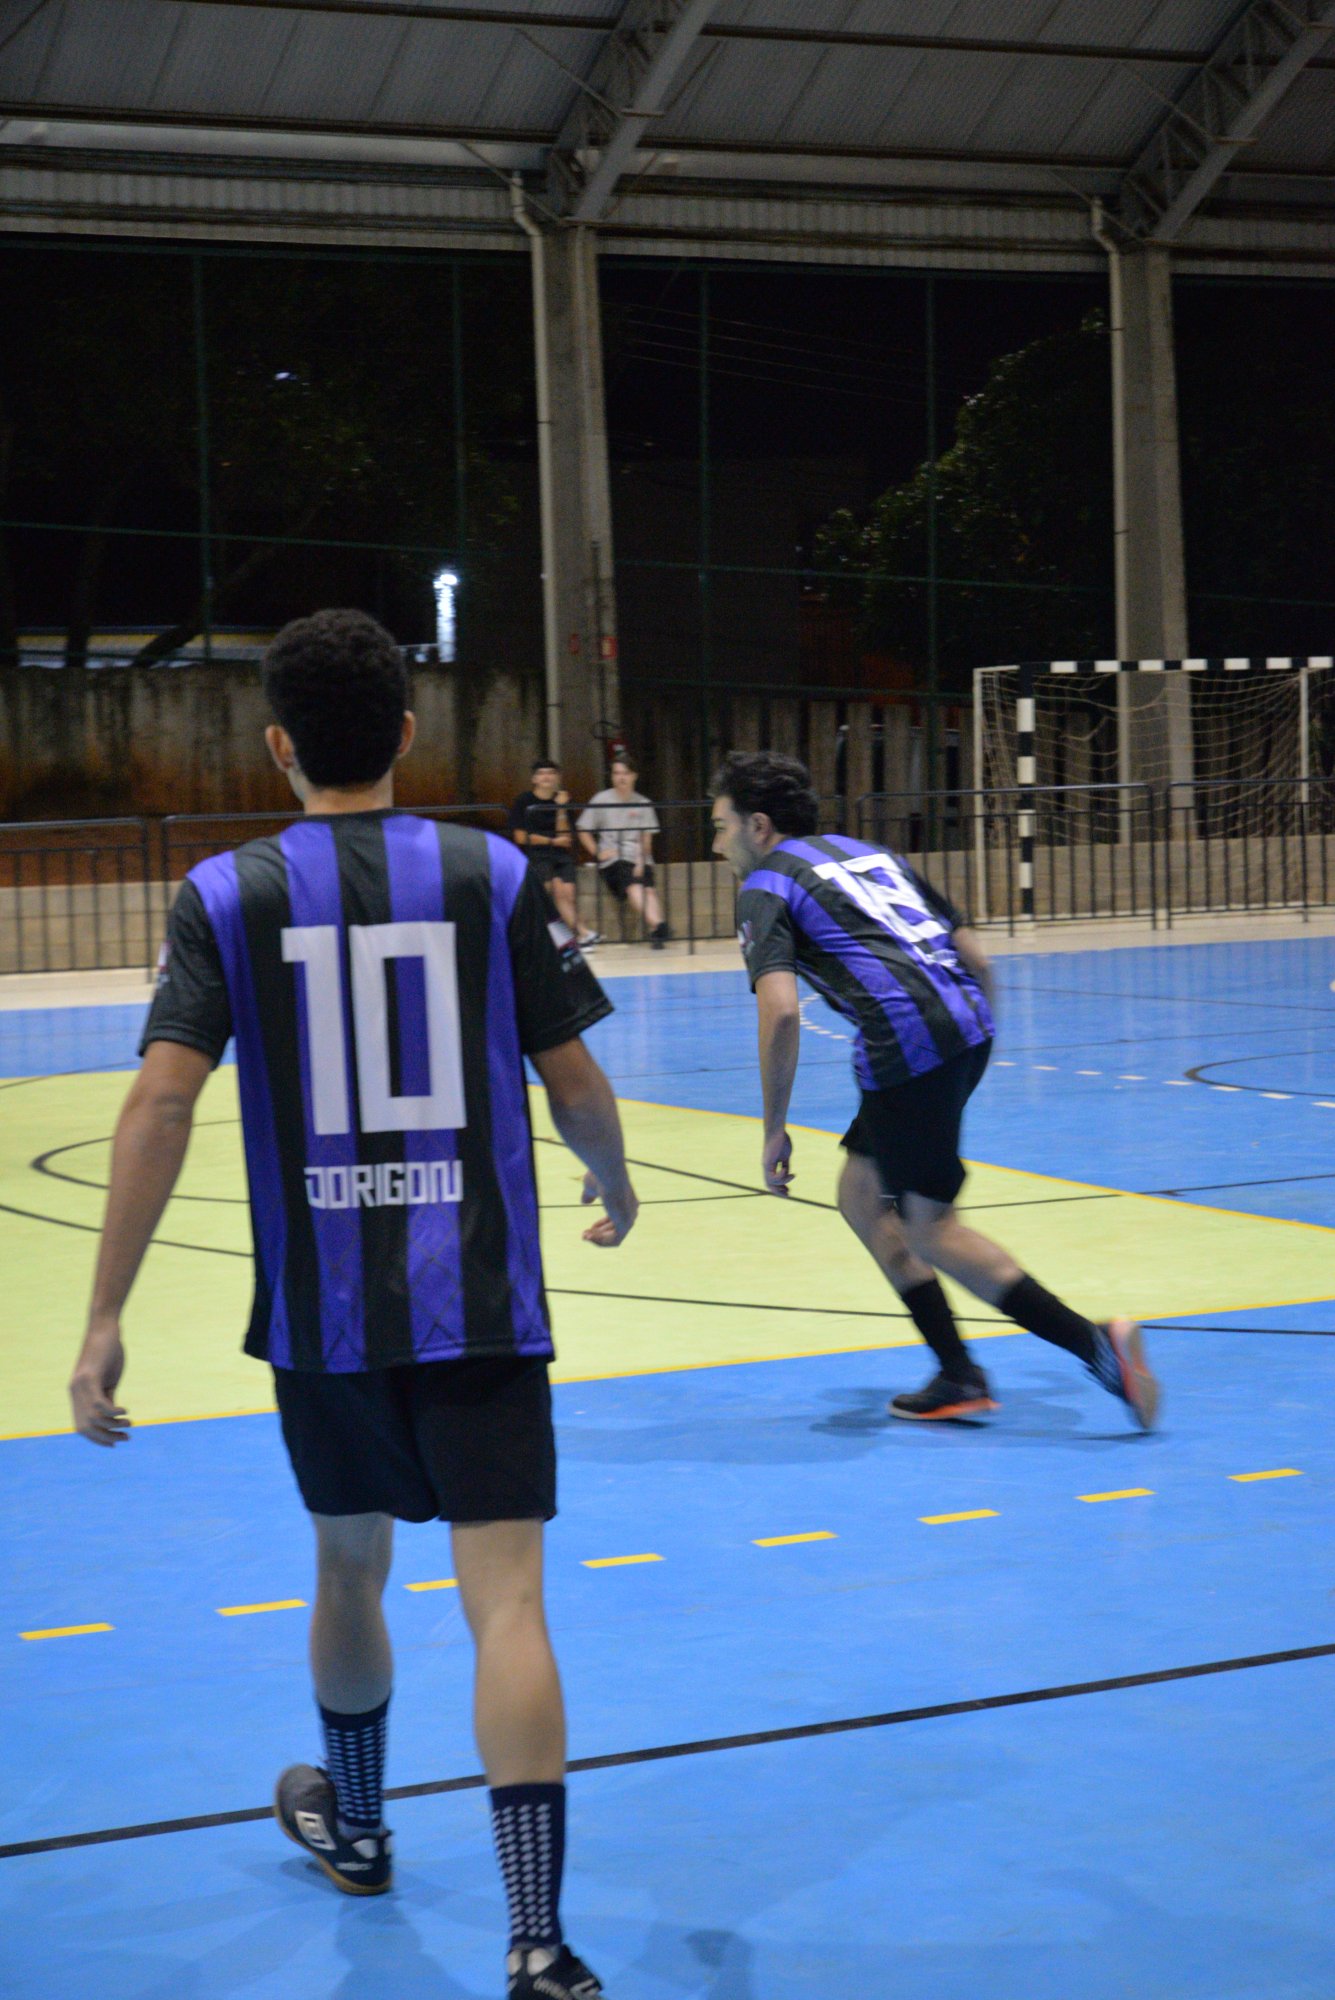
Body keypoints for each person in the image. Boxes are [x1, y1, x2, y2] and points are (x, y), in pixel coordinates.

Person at [68, 609, 638, 2000]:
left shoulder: (224, 893)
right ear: (406, 732)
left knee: (346, 1567)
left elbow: (159, 1103)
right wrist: (616, 1182)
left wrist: (102, 1317)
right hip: (481, 1300)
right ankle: (537, 1939)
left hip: (323, 1315)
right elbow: (572, 1081)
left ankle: (363, 1830)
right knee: (508, 1606)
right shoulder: (493, 872)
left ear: (278, 744)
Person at [710, 749, 1159, 1429]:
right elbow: (974, 953)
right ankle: (956, 1372)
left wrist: (773, 1127)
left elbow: (780, 1013)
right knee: (860, 1195)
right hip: (965, 1025)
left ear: (759, 826)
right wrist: (967, 1043)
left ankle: (1097, 1347)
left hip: (906, 1049)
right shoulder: (868, 853)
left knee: (932, 1231)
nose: (717, 845)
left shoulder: (765, 886)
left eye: (721, 827)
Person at [577, 755, 671, 949]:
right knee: (634, 887)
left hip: (638, 856)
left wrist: (641, 861)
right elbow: (582, 829)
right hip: (614, 859)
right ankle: (659, 925)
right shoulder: (601, 800)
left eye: (625, 773)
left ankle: (657, 931)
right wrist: (597, 853)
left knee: (648, 890)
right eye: (617, 773)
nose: (621, 778)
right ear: (612, 776)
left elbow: (646, 839)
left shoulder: (643, 803)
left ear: (634, 776)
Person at [510, 759, 600, 950]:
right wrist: (551, 841)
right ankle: (582, 934)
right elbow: (520, 837)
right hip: (537, 855)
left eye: (550, 773)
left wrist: (560, 808)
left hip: (560, 855)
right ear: (534, 779)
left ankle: (575, 938)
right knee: (554, 892)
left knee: (568, 893)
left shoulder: (563, 800)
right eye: (542, 773)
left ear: (557, 778)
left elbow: (565, 837)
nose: (546, 777)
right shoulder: (524, 801)